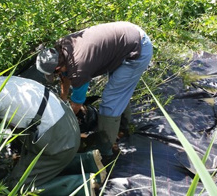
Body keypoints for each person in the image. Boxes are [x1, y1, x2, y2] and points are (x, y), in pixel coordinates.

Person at [0, 68, 104, 194]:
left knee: (18, 187)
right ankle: (89, 160)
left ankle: (82, 186)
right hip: (69, 128)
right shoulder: (7, 81)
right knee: (37, 161)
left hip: (59, 142)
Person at [37, 21, 153, 156]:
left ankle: (105, 149)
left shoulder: (79, 68)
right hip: (125, 36)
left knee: (110, 100)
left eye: (54, 74)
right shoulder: (62, 48)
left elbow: (77, 103)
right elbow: (65, 75)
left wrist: (63, 121)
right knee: (118, 92)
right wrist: (63, 98)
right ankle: (123, 127)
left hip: (137, 48)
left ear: (57, 67)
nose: (56, 76)